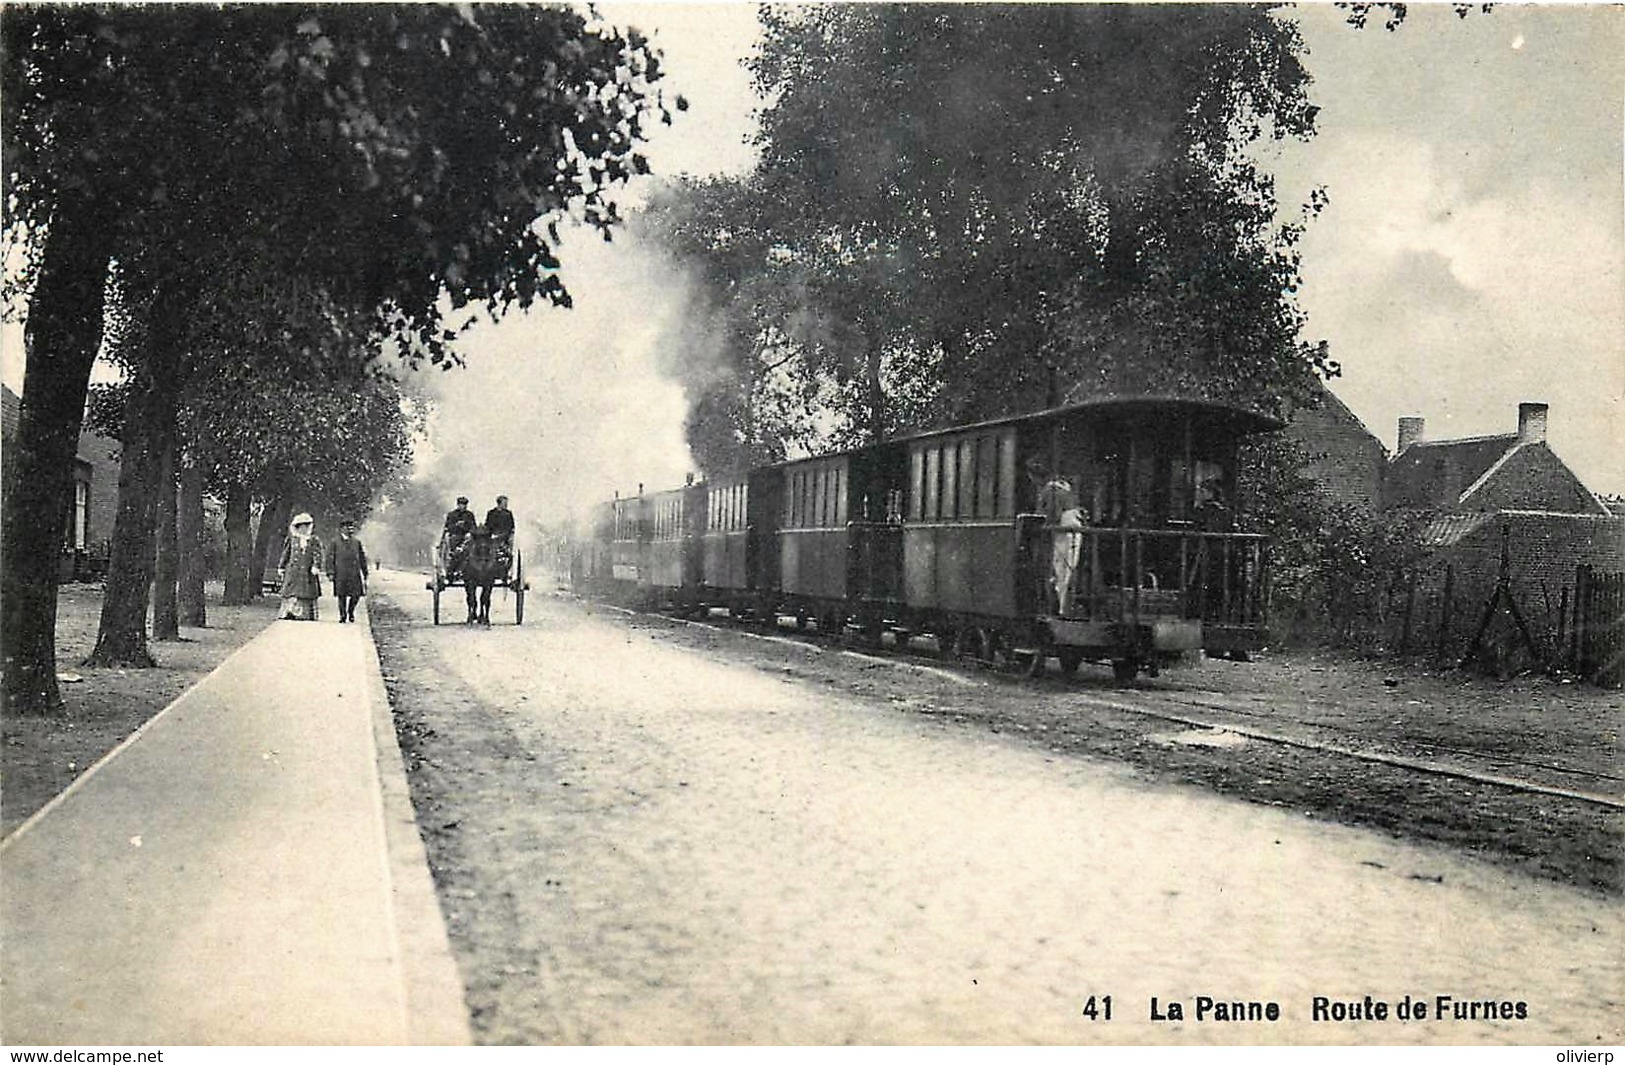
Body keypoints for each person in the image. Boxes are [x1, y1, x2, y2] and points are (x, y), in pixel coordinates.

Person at [1034, 462, 1085, 616]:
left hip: (1064, 532)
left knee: (1061, 571)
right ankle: (1063, 607)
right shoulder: (1064, 489)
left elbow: (1052, 515)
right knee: (1066, 570)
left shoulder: (1051, 490)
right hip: (1073, 529)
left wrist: (1041, 525)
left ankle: (1062, 608)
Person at [277, 513, 323, 621]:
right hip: (293, 571)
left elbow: (317, 554)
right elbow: (286, 554)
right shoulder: (292, 539)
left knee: (306, 592)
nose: (304, 529)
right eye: (301, 526)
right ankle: (289, 612)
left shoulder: (313, 539)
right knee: (292, 591)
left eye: (306, 526)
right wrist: (281, 566)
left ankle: (304, 614)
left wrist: (316, 565)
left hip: (307, 571)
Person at [326, 518, 369, 624]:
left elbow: (362, 558)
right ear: (342, 529)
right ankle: (343, 615)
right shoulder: (335, 542)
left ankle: (351, 611)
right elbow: (329, 558)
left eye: (351, 527)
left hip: (354, 573)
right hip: (340, 573)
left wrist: (365, 572)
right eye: (347, 527)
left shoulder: (356, 542)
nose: (350, 529)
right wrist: (330, 572)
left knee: (356, 595)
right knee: (342, 595)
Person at [443, 495, 476, 577]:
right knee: (454, 540)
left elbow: (473, 527)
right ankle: (455, 553)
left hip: (466, 536)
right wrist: (456, 525)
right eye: (461, 504)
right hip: (456, 535)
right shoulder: (452, 514)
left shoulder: (469, 515)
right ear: (457, 505)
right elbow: (448, 527)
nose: (463, 506)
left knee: (470, 540)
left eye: (464, 505)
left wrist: (468, 529)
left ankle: (463, 551)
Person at [484, 495, 516, 572]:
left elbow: (511, 527)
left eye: (506, 503)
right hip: (492, 537)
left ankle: (505, 569)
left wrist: (504, 536)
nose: (506, 505)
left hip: (504, 537)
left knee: (507, 553)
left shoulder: (508, 514)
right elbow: (487, 526)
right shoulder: (491, 513)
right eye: (504, 503)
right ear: (499, 503)